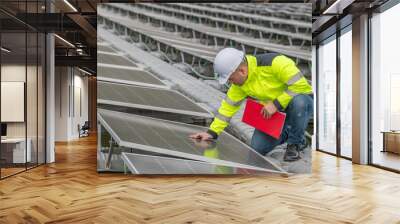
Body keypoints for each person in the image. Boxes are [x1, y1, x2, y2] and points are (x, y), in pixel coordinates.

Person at [189, 48, 313, 162]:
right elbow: (227, 109)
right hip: (275, 114)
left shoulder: (276, 62)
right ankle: (294, 133)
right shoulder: (239, 84)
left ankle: (295, 144)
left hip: (297, 104)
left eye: (231, 79)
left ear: (242, 71)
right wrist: (212, 133)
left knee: (300, 102)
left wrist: (276, 104)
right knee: (257, 148)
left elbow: (302, 86)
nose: (230, 83)